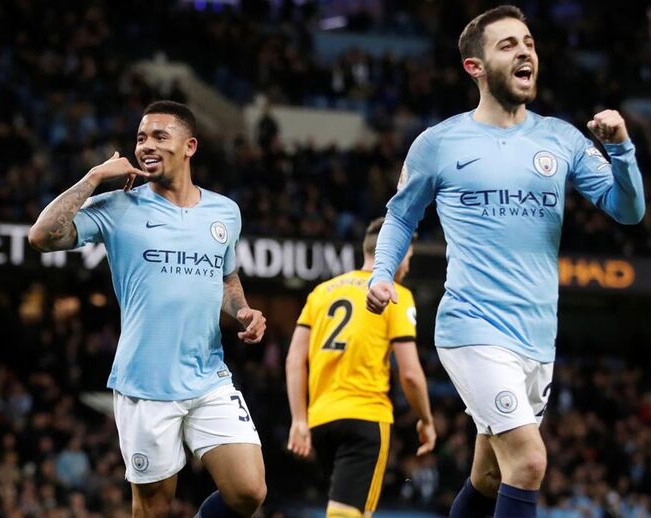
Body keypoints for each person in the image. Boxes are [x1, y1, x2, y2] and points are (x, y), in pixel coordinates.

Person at [366, 6, 646, 518]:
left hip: (537, 336)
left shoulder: (561, 139)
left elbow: (628, 210)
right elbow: (401, 217)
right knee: (529, 462)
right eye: (508, 45)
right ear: (475, 67)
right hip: (472, 328)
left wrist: (622, 149)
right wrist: (381, 274)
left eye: (529, 43)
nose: (525, 52)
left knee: (490, 477)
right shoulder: (438, 144)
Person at [28, 100, 268, 518]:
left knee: (249, 492)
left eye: (160, 136)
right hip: (145, 384)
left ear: (190, 146)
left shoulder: (225, 212)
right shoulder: (119, 207)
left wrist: (244, 311)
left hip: (208, 376)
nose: (146, 146)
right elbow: (42, 236)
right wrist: (94, 177)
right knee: (153, 507)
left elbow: (226, 278)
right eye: (141, 138)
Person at [285, 217, 437, 518]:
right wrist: (426, 420)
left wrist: (299, 419)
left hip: (321, 421)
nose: (408, 265)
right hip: (365, 416)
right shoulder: (395, 295)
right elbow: (409, 373)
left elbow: (294, 359)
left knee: (356, 511)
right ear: (395, 252)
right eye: (407, 255)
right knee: (346, 513)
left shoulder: (322, 292)